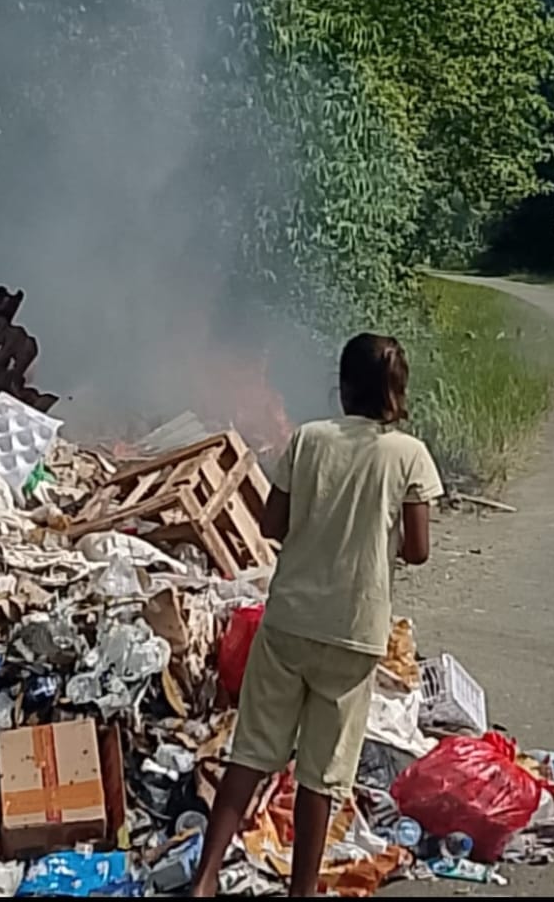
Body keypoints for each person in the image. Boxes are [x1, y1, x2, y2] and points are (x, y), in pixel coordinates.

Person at [190, 332, 443, 898]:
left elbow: (271, 524)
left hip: (289, 622)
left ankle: (204, 881)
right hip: (355, 632)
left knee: (250, 754)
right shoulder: (410, 455)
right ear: (397, 390)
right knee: (321, 776)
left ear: (344, 387)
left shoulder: (307, 439)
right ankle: (301, 892)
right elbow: (418, 550)